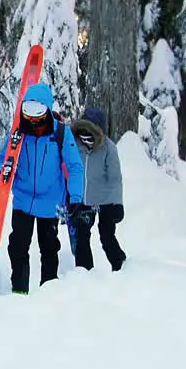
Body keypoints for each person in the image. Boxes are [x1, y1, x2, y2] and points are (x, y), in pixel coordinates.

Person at [0, 83, 88, 294]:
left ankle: (49, 293)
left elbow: (75, 166)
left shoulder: (61, 134)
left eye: (37, 116)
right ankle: (18, 291)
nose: (33, 121)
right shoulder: (18, 133)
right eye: (29, 116)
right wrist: (2, 171)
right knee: (18, 246)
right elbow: (5, 158)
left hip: (51, 202)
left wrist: (75, 196)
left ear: (47, 111)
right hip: (22, 199)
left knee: (49, 248)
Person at [67, 107, 127, 271]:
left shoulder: (109, 148)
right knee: (81, 235)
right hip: (83, 199)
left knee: (106, 234)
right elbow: (70, 170)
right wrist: (71, 197)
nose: (86, 138)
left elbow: (115, 179)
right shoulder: (74, 144)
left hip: (106, 199)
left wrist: (117, 204)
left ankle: (121, 266)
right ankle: (84, 272)